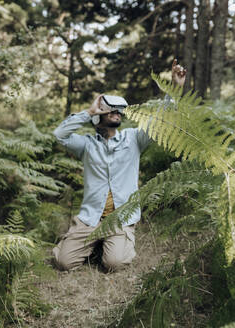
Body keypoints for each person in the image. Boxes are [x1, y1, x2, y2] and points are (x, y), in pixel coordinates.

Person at [52, 59, 187, 271]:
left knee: (114, 264)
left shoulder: (134, 139)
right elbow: (60, 135)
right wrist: (88, 112)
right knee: (63, 263)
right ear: (98, 118)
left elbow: (161, 121)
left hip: (120, 219)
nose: (116, 112)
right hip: (90, 218)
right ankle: (89, 243)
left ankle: (110, 245)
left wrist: (174, 89)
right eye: (110, 110)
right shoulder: (86, 145)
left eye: (118, 111)